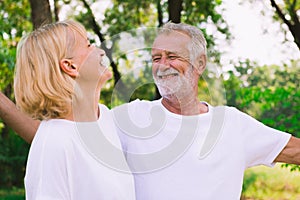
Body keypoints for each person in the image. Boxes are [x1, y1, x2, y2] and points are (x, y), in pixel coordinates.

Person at [0, 22, 299, 199]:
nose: (162, 64)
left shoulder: (232, 125)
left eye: (172, 56)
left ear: (200, 64)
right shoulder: (129, 118)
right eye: (156, 57)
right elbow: (56, 139)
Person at [11, 20, 135, 200]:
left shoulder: (105, 118)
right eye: (88, 44)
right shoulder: (54, 143)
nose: (99, 49)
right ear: (70, 66)